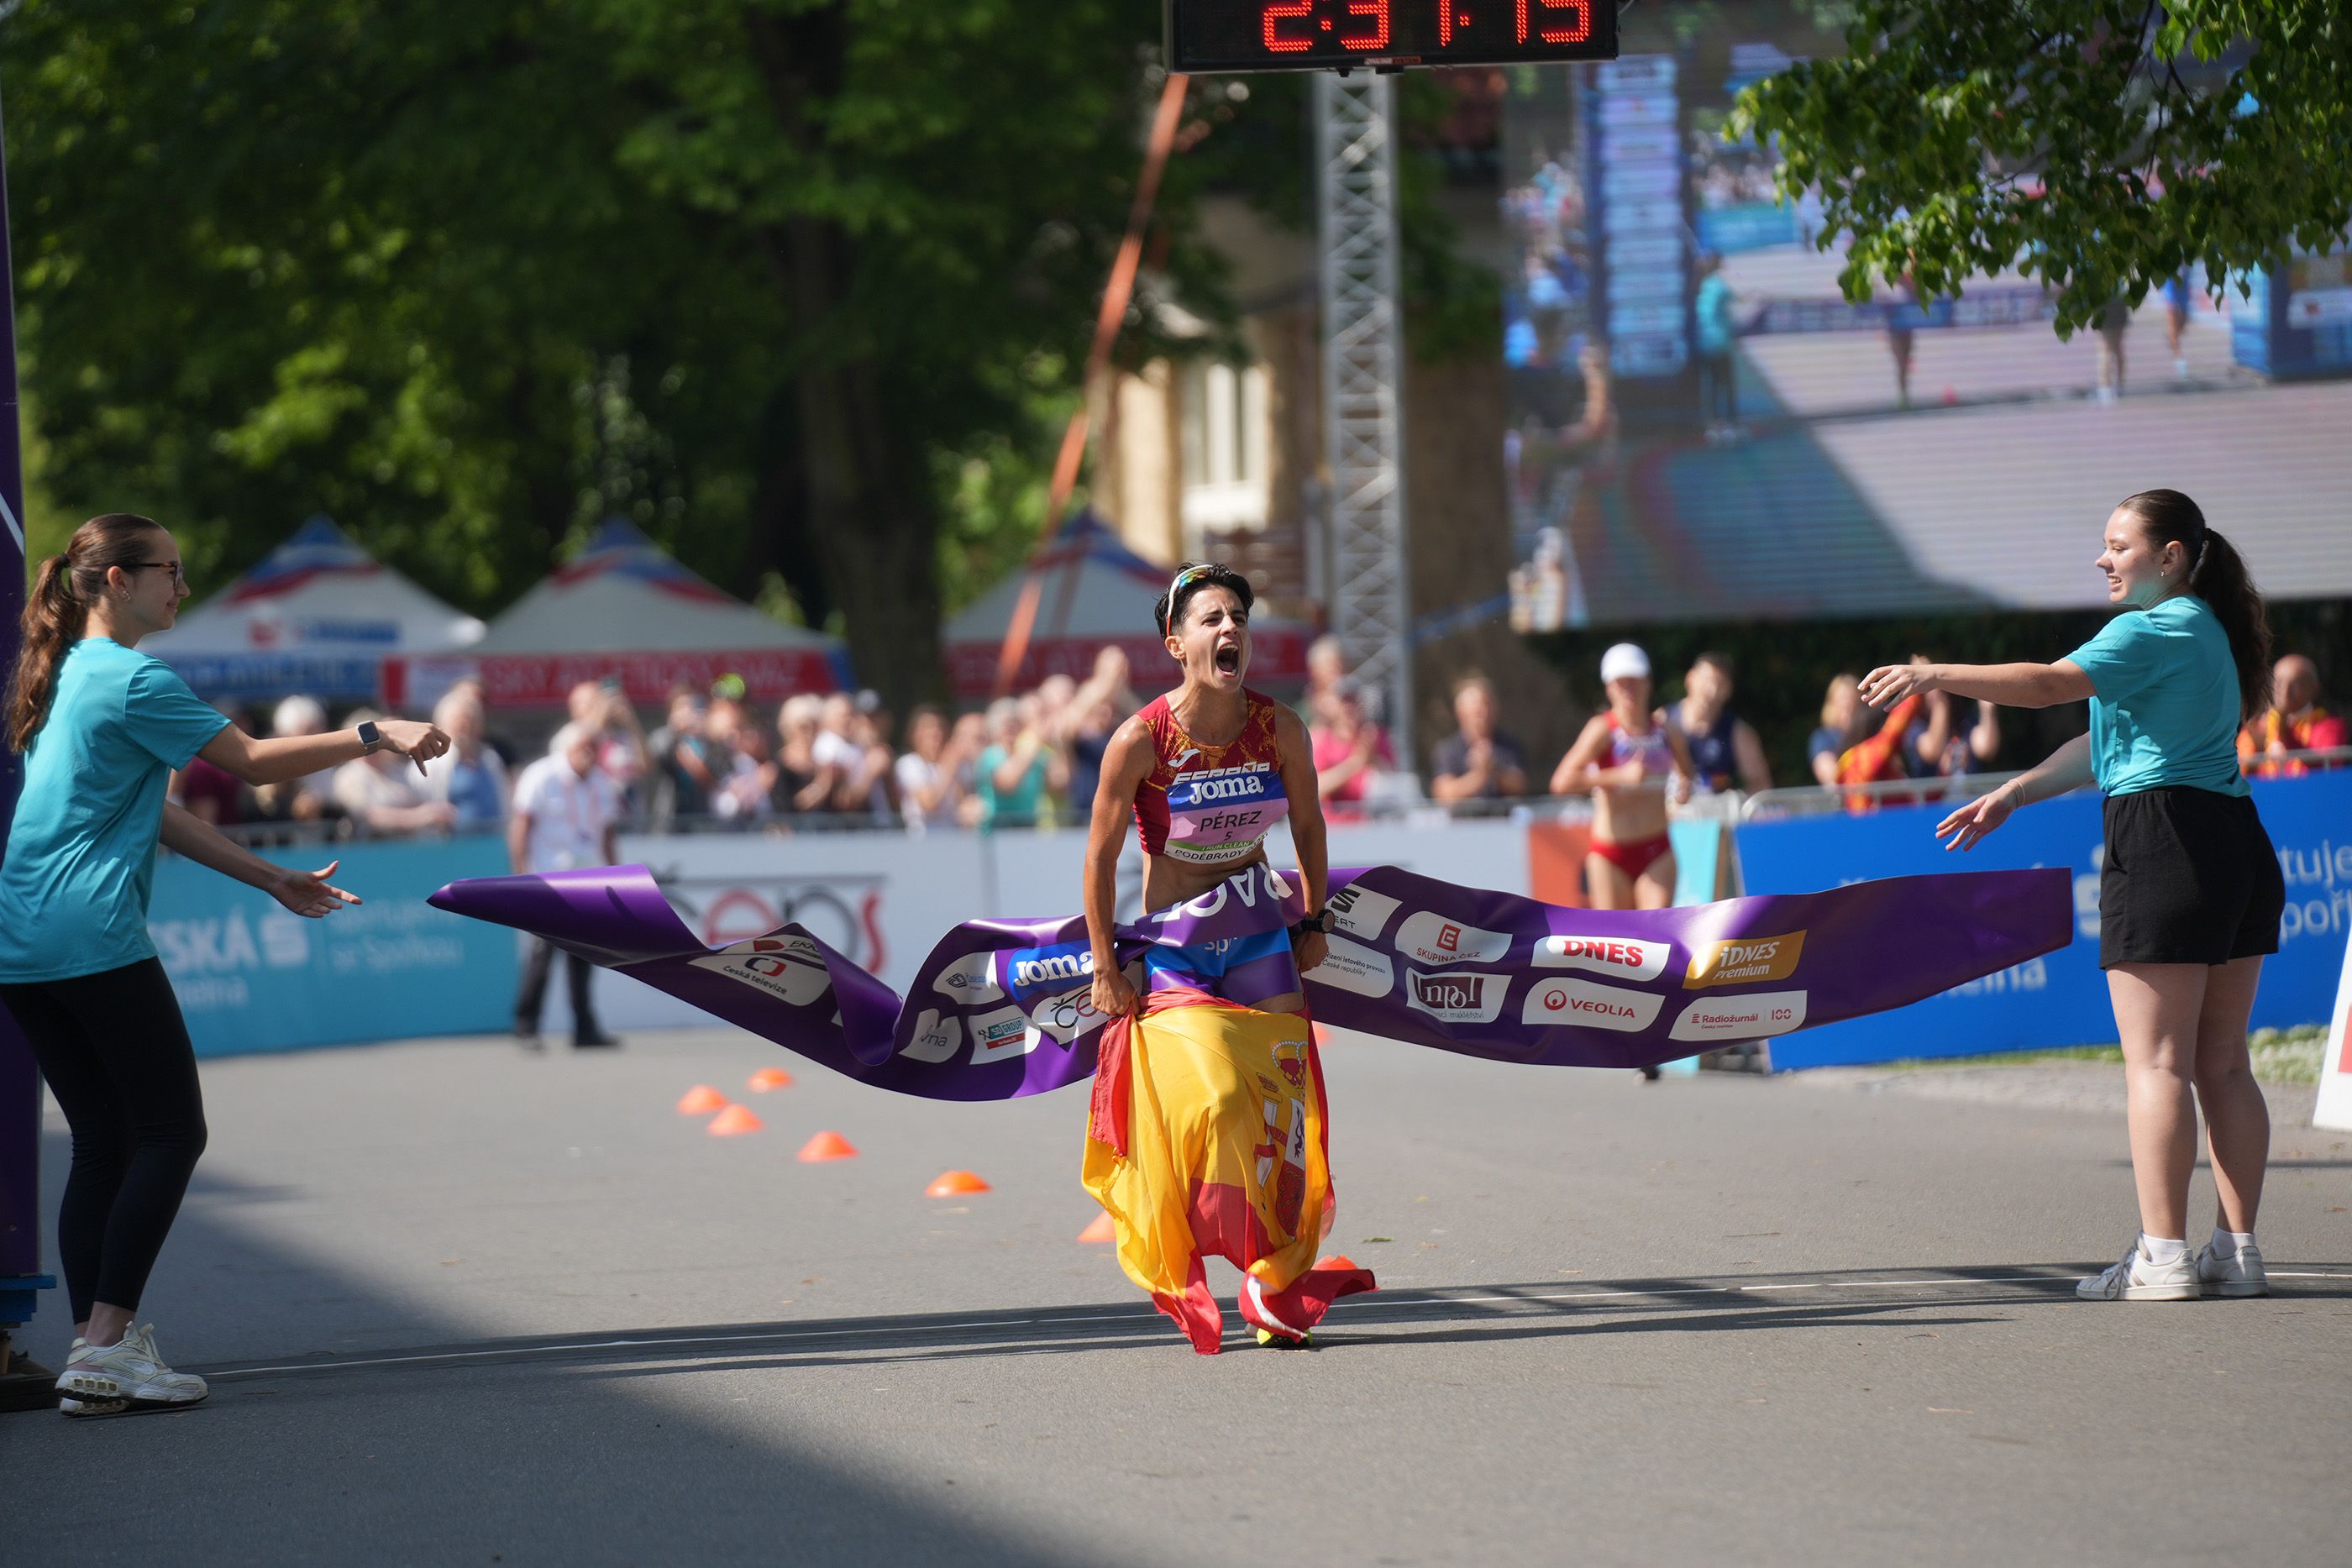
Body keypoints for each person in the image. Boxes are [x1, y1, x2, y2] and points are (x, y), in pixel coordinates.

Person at [0, 514, 449, 1415]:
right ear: (118, 582)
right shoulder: (132, 677)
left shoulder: (66, 674)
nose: (184, 586)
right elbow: (248, 762)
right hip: (91, 934)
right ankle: (105, 1341)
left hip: (23, 940)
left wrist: (268, 875)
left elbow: (156, 814)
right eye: (170, 570)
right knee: (172, 1131)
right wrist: (374, 732)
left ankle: (102, 1349)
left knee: (103, 1138)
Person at [1861, 489, 2282, 1302]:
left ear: (2168, 558)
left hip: (2168, 842)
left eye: (2118, 544)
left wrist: (1931, 673)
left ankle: (2160, 1256)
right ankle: (2235, 1253)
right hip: (2235, 841)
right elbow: (2102, 744)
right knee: (2222, 1062)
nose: (2102, 558)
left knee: (2156, 1061)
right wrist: (2014, 792)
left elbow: (2049, 683)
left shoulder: (2149, 627)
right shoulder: (2205, 634)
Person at [1083, 562, 1361, 1350]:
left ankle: (1273, 1283)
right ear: (1176, 643)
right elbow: (1099, 860)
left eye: (1237, 616)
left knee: (1284, 1109)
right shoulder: (1140, 740)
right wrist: (1107, 965)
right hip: (1177, 948)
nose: (1228, 628)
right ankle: (1192, 1243)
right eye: (1210, 619)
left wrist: (1313, 918)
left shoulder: (1283, 728)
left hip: (1259, 936)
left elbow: (1309, 825)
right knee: (1215, 1098)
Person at [1550, 642, 1695, 919]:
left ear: (1648, 683)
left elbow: (1687, 776)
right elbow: (1562, 781)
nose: (1629, 688)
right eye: (1621, 682)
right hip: (1610, 853)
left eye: (1635, 680)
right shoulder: (1602, 729)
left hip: (1657, 849)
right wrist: (1618, 775)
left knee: (1656, 934)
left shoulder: (1667, 731)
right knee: (1616, 941)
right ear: (1609, 688)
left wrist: (1683, 790)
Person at [509, 721, 624, 1047]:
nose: (590, 755)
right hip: (548, 880)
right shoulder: (541, 776)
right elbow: (520, 829)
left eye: (594, 748)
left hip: (588, 881)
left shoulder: (601, 781)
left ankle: (584, 1029)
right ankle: (526, 1025)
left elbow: (608, 834)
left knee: (585, 956)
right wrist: (521, 878)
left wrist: (617, 879)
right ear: (567, 747)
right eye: (583, 748)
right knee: (543, 954)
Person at [332, 707, 459, 837]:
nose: (369, 747)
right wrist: (418, 817)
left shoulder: (397, 770)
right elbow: (366, 815)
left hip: (408, 846)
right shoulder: (348, 775)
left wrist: (435, 812)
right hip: (370, 848)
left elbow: (416, 800)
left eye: (374, 739)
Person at [1669, 651, 1769, 796]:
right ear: (1690, 678)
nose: (1712, 690)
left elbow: (1760, 784)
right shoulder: (1662, 721)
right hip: (1668, 812)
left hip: (1715, 813)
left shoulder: (1738, 733)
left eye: (1720, 684)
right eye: (1706, 681)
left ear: (1729, 690)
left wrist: (1732, 805)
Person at [2238, 653, 2347, 778]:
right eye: (2279, 683)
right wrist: (2257, 749)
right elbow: (2240, 774)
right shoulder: (2260, 727)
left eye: (2296, 684)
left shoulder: (2329, 726)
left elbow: (2328, 770)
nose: (2285, 691)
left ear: (2314, 688)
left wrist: (2285, 732)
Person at [1429, 674, 1530, 803]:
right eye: (1477, 712)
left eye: (1487, 708)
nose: (1483, 716)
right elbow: (1444, 794)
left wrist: (1493, 769)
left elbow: (1520, 787)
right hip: (1464, 821)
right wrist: (1479, 775)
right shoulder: (1447, 750)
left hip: (1502, 819)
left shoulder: (1510, 744)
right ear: (1460, 713)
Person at [422, 686, 510, 831]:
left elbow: (503, 800)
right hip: (450, 846)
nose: (466, 727)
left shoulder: (491, 759)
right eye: (459, 722)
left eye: (471, 722)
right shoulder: (431, 763)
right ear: (443, 726)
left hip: (492, 843)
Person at [1310, 677, 1397, 818]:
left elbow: (1393, 780)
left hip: (1371, 824)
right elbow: (1315, 788)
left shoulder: (1376, 737)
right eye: (1345, 701)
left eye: (1354, 700)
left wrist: (1373, 758)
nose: (1350, 707)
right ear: (1334, 706)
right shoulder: (1321, 740)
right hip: (1333, 826)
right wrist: (1355, 763)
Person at [1693, 252, 1738, 443]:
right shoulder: (1718, 286)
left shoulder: (1698, 286)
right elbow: (1734, 298)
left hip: (1703, 343)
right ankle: (1729, 425)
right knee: (1726, 385)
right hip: (1719, 342)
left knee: (1710, 385)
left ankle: (1712, 426)